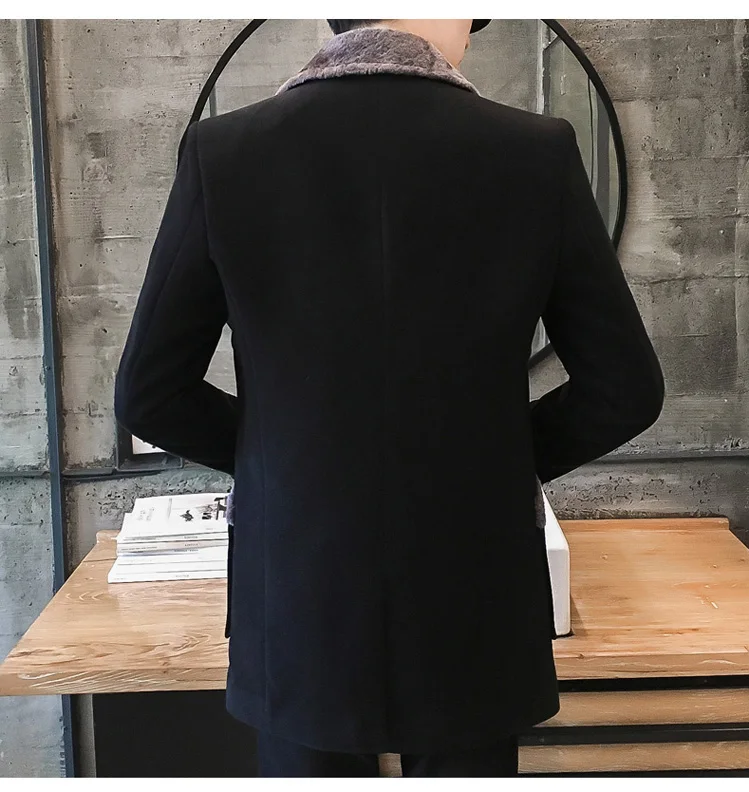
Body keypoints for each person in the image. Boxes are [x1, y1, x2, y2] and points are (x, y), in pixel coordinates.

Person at [114, 19, 665, 777]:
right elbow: (624, 388)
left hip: (301, 587)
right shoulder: (535, 149)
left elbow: (151, 394)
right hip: (474, 579)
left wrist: (285, 464)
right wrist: (490, 460)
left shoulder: (226, 151)